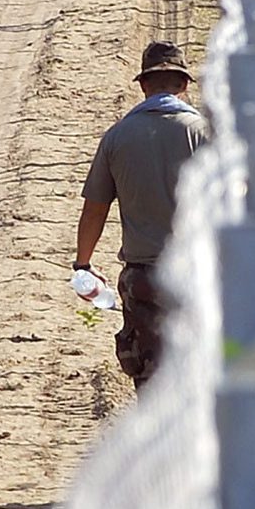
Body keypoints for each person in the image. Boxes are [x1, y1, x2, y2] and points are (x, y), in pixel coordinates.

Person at [72, 41, 205, 386]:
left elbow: (95, 208)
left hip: (143, 279)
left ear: (144, 85)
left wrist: (83, 264)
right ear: (184, 84)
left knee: (149, 378)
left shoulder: (118, 137)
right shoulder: (205, 134)